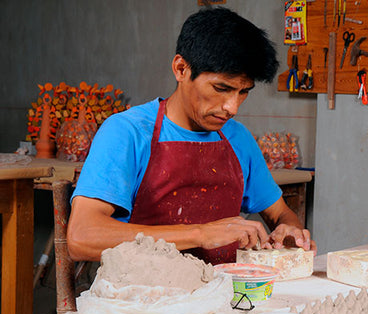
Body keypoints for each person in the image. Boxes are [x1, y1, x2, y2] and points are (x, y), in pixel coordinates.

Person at [67, 7, 316, 265]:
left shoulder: (237, 138)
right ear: (181, 69)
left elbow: (282, 214)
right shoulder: (127, 132)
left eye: (243, 92)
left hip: (222, 294)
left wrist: (290, 230)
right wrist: (201, 233)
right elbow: (81, 237)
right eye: (221, 88)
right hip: (141, 297)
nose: (233, 107)